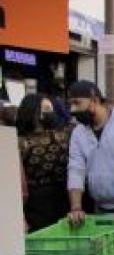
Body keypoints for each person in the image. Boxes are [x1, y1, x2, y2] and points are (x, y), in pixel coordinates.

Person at [66, 80, 114, 223]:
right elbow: (76, 169)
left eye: (77, 103)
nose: (72, 109)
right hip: (100, 207)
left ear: (94, 100)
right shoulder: (79, 131)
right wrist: (76, 208)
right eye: (70, 104)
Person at [15, 94, 71, 231]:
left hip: (63, 196)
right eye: (44, 109)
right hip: (35, 202)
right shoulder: (20, 142)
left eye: (50, 109)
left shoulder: (63, 136)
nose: (48, 114)